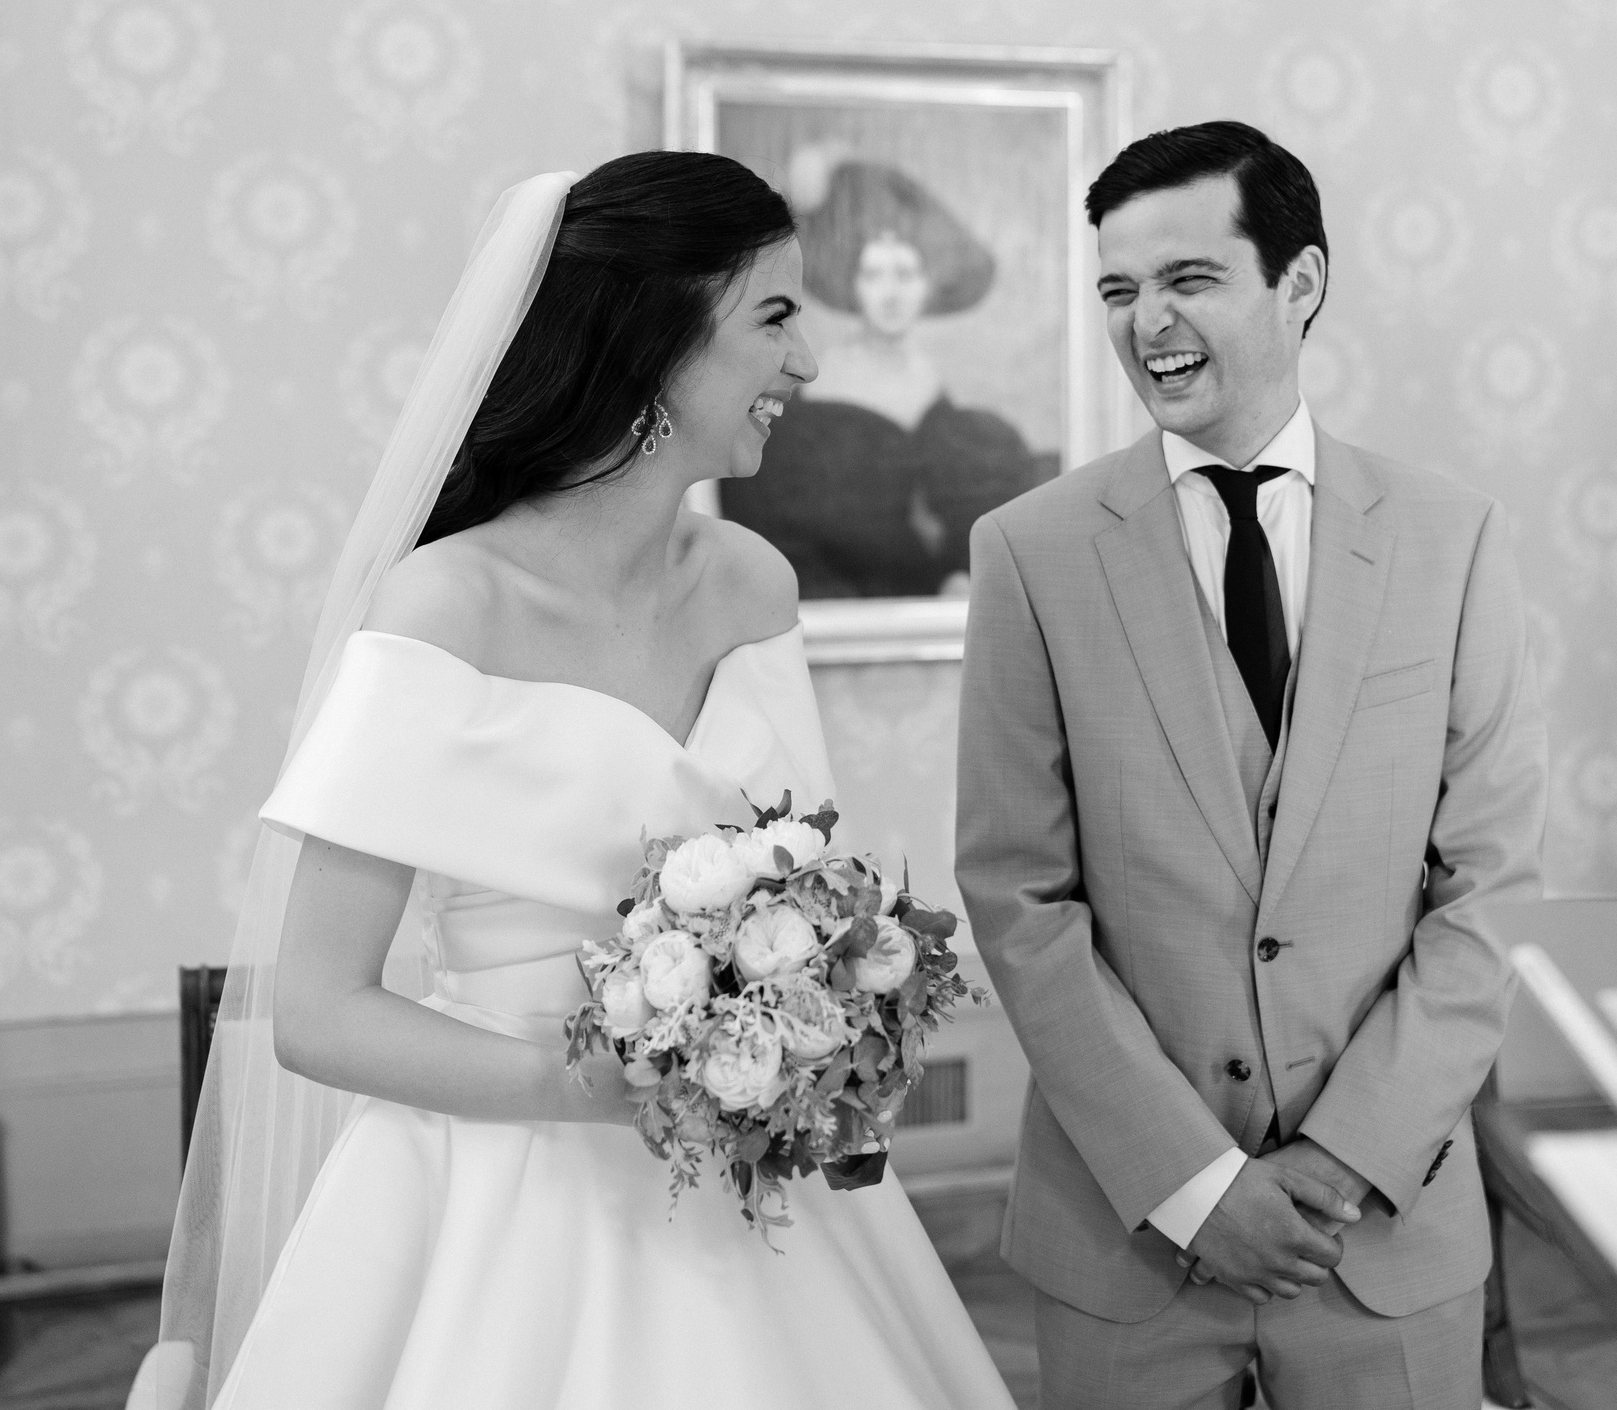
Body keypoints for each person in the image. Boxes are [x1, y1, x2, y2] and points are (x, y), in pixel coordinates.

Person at [129, 154, 1017, 1410]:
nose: (808, 363)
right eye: (773, 316)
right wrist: (600, 1089)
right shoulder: (448, 607)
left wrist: (817, 1010)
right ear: (653, 341)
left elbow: (807, 872)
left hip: (752, 1198)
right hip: (494, 1204)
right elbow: (320, 1011)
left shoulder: (754, 585)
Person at [955, 122, 1546, 1409]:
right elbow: (1017, 901)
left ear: (1302, 283)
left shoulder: (1453, 540)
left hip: (1381, 1236)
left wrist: (1342, 1159)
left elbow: (1488, 891)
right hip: (1125, 1238)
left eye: (1187, 279)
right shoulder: (1028, 552)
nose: (1145, 322)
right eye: (1118, 290)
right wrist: (1197, 1183)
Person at [720, 156, 1053, 598]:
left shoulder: (957, 413)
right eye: (874, 274)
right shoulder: (805, 402)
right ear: (852, 284)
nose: (891, 293)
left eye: (906, 274)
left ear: (928, 284)